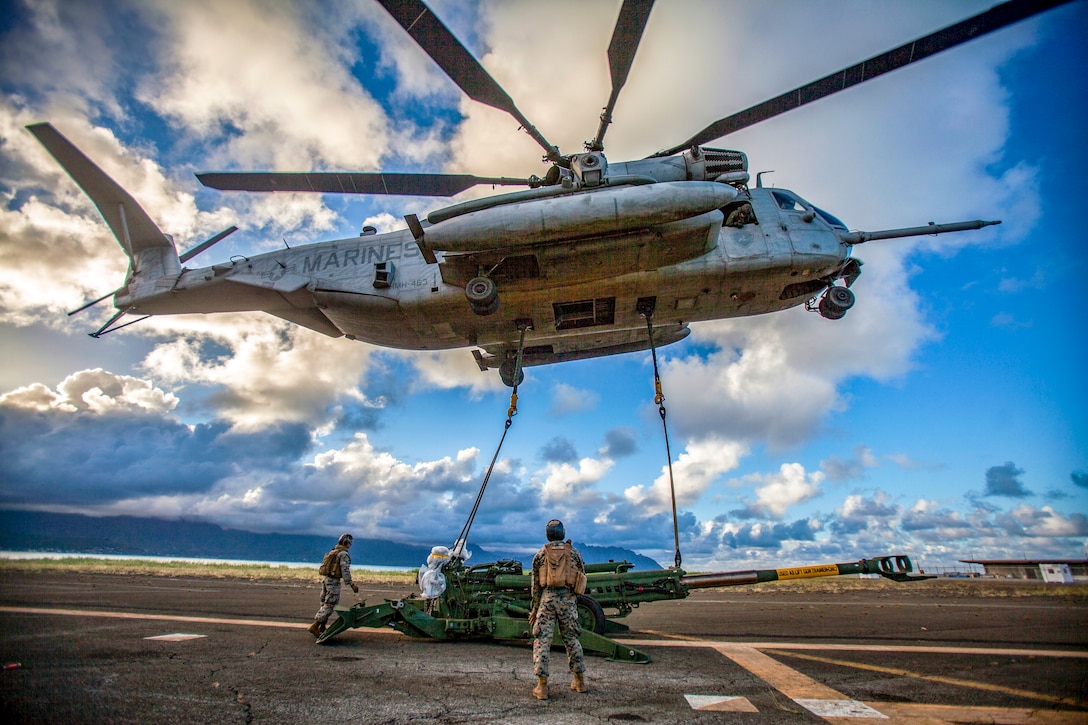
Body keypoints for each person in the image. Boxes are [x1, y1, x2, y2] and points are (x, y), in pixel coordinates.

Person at [529, 519, 587, 700]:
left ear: (548, 534)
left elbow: (536, 587)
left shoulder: (540, 555)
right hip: (568, 600)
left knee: (542, 641)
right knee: (572, 639)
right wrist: (572, 599)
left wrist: (535, 608)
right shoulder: (574, 553)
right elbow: (581, 577)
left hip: (547, 600)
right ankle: (579, 681)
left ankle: (542, 687)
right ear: (563, 533)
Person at [308, 533, 359, 637]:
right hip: (333, 583)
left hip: (326, 580)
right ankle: (315, 626)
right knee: (330, 604)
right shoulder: (343, 554)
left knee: (324, 604)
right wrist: (351, 584)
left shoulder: (333, 552)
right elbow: (345, 571)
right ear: (347, 543)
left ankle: (322, 627)